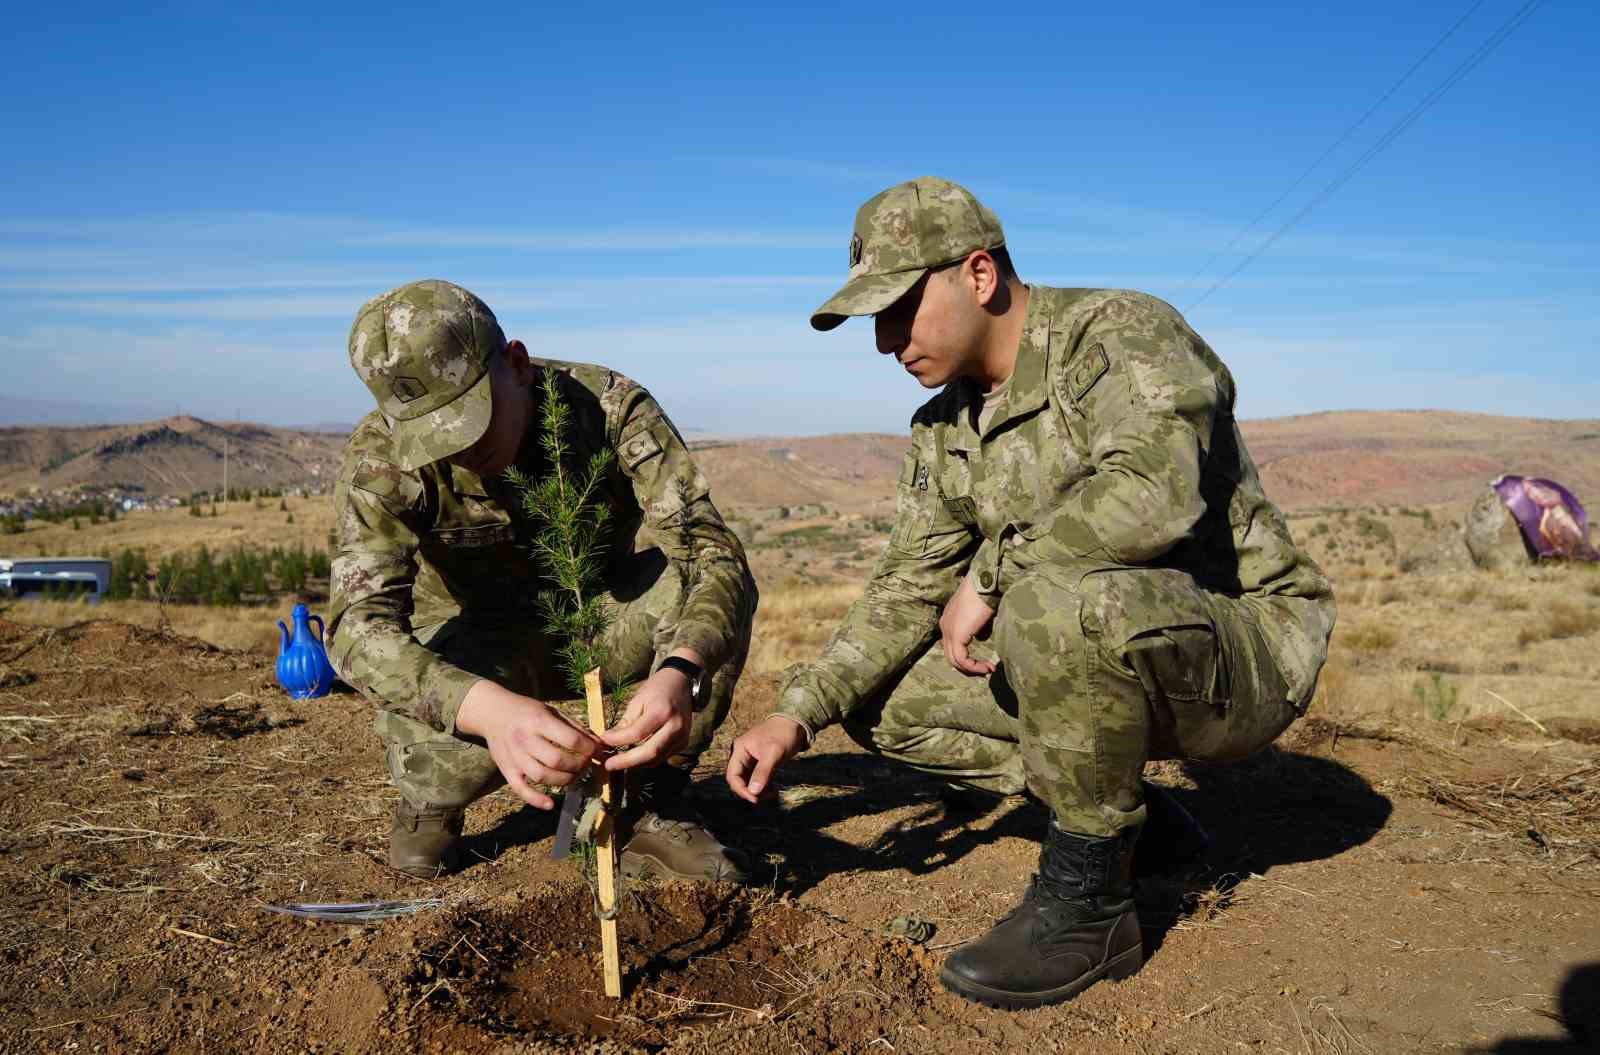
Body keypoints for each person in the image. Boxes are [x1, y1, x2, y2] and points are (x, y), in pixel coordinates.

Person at [725, 178, 1335, 1008]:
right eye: (876, 319)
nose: (884, 342)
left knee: (1055, 597)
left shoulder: (1120, 334)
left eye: (899, 307)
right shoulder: (943, 428)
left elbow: (1155, 488)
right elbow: (905, 587)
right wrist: (796, 711)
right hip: (1099, 649)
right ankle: (1134, 819)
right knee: (881, 700)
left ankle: (1090, 905)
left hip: (1241, 650)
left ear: (979, 274)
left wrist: (991, 574)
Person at [329, 279, 756, 882]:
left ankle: (650, 797)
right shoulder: (381, 458)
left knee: (709, 589)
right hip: (476, 649)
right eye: (432, 435)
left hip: (604, 619)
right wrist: (487, 711)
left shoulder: (610, 408)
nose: (459, 450)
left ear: (518, 364)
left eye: (468, 418)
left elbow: (711, 554)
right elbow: (356, 628)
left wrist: (679, 670)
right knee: (446, 764)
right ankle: (431, 801)